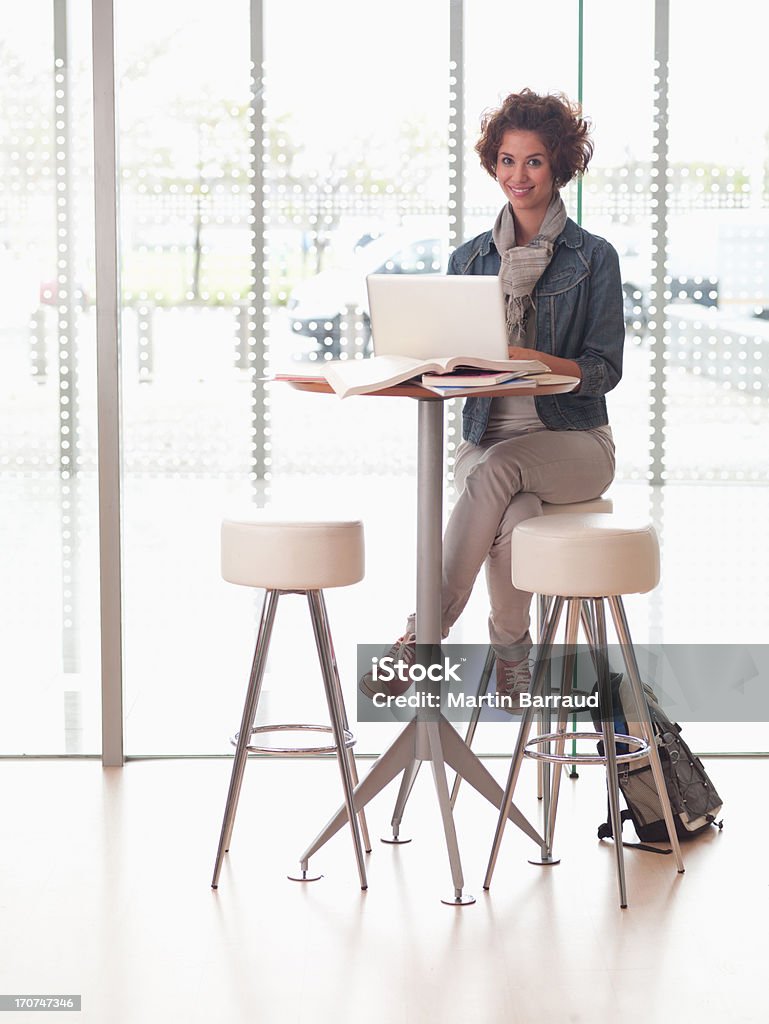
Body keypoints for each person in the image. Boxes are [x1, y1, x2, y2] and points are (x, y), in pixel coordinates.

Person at [361, 89, 624, 705]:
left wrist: (534, 361)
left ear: (559, 165)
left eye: (533, 161)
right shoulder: (469, 258)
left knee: (506, 474)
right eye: (507, 161)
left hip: (574, 442)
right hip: (488, 441)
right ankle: (513, 659)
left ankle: (423, 639)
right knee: (515, 513)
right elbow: (450, 356)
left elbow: (604, 370)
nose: (519, 175)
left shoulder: (595, 258)